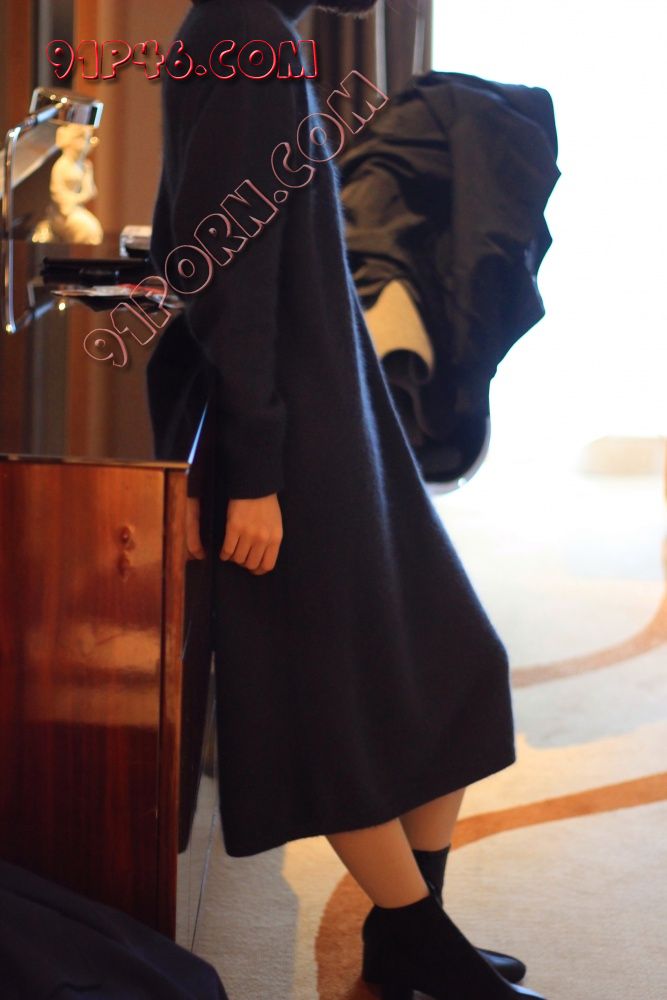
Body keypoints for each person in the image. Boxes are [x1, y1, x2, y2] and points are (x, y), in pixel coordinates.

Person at [149, 1, 547, 996]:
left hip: (335, 411)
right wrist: (258, 469)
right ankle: (416, 944)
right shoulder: (240, 35)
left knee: (456, 662)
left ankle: (412, 936)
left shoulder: (252, 32)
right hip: (293, 432)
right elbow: (225, 270)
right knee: (333, 706)